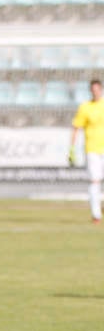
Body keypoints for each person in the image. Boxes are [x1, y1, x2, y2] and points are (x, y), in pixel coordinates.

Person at [70, 78, 104, 224]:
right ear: (91, 91)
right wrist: (71, 148)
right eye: (93, 90)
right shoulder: (85, 107)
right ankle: (96, 214)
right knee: (94, 181)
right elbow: (76, 127)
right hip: (92, 149)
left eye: (98, 89)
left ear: (101, 90)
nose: (95, 92)